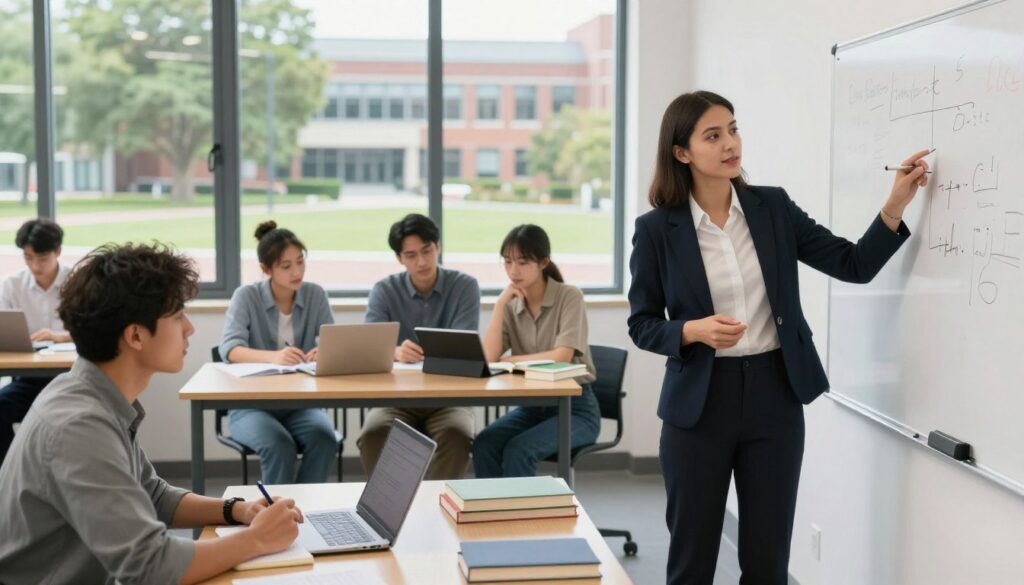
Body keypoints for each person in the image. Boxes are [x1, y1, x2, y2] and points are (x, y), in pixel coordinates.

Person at [627, 90, 929, 585]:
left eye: (733, 128)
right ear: (682, 153)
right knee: (691, 561)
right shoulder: (657, 229)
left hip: (775, 395)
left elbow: (851, 264)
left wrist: (894, 205)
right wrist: (690, 330)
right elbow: (642, 323)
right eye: (713, 135)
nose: (731, 143)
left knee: (768, 563)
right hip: (698, 404)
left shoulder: (773, 207)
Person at [0, 243, 304, 585]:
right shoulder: (80, 426)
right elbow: (149, 568)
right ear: (135, 335)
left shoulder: (93, 395)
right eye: (177, 316)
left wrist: (236, 509)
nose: (189, 328)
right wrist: (257, 539)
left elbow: (152, 493)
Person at [472, 224, 600, 478]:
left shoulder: (569, 296)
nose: (513, 270)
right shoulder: (511, 304)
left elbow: (561, 356)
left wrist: (512, 359)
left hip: (575, 409)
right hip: (532, 408)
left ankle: (524, 518)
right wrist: (499, 305)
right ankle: (493, 515)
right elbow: (488, 358)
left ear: (543, 262)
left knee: (520, 451)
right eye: (507, 262)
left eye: (522, 262)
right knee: (484, 444)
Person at [359, 213, 480, 480]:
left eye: (427, 251)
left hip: (449, 398)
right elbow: (370, 345)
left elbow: (464, 346)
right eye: (411, 255)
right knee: (372, 434)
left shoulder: (465, 286)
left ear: (438, 247)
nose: (422, 261)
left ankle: (433, 509)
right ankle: (387, 509)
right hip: (396, 398)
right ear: (400, 258)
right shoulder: (384, 290)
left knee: (457, 435)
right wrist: (395, 352)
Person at [220, 221, 338, 485]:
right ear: (266, 269)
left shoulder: (315, 294)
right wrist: (273, 356)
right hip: (251, 407)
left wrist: (324, 352)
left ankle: (305, 511)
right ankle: (274, 518)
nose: (297, 271)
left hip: (301, 405)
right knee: (279, 445)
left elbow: (334, 341)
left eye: (300, 261)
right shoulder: (246, 296)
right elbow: (230, 349)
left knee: (325, 439)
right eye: (286, 266)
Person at [0, 219, 71, 463]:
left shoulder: (78, 283)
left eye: (41, 258)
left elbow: (99, 329)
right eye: (28, 258)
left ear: (58, 252)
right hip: (28, 380)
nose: (34, 265)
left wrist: (61, 336)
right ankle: (10, 473)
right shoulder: (12, 285)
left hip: (69, 381)